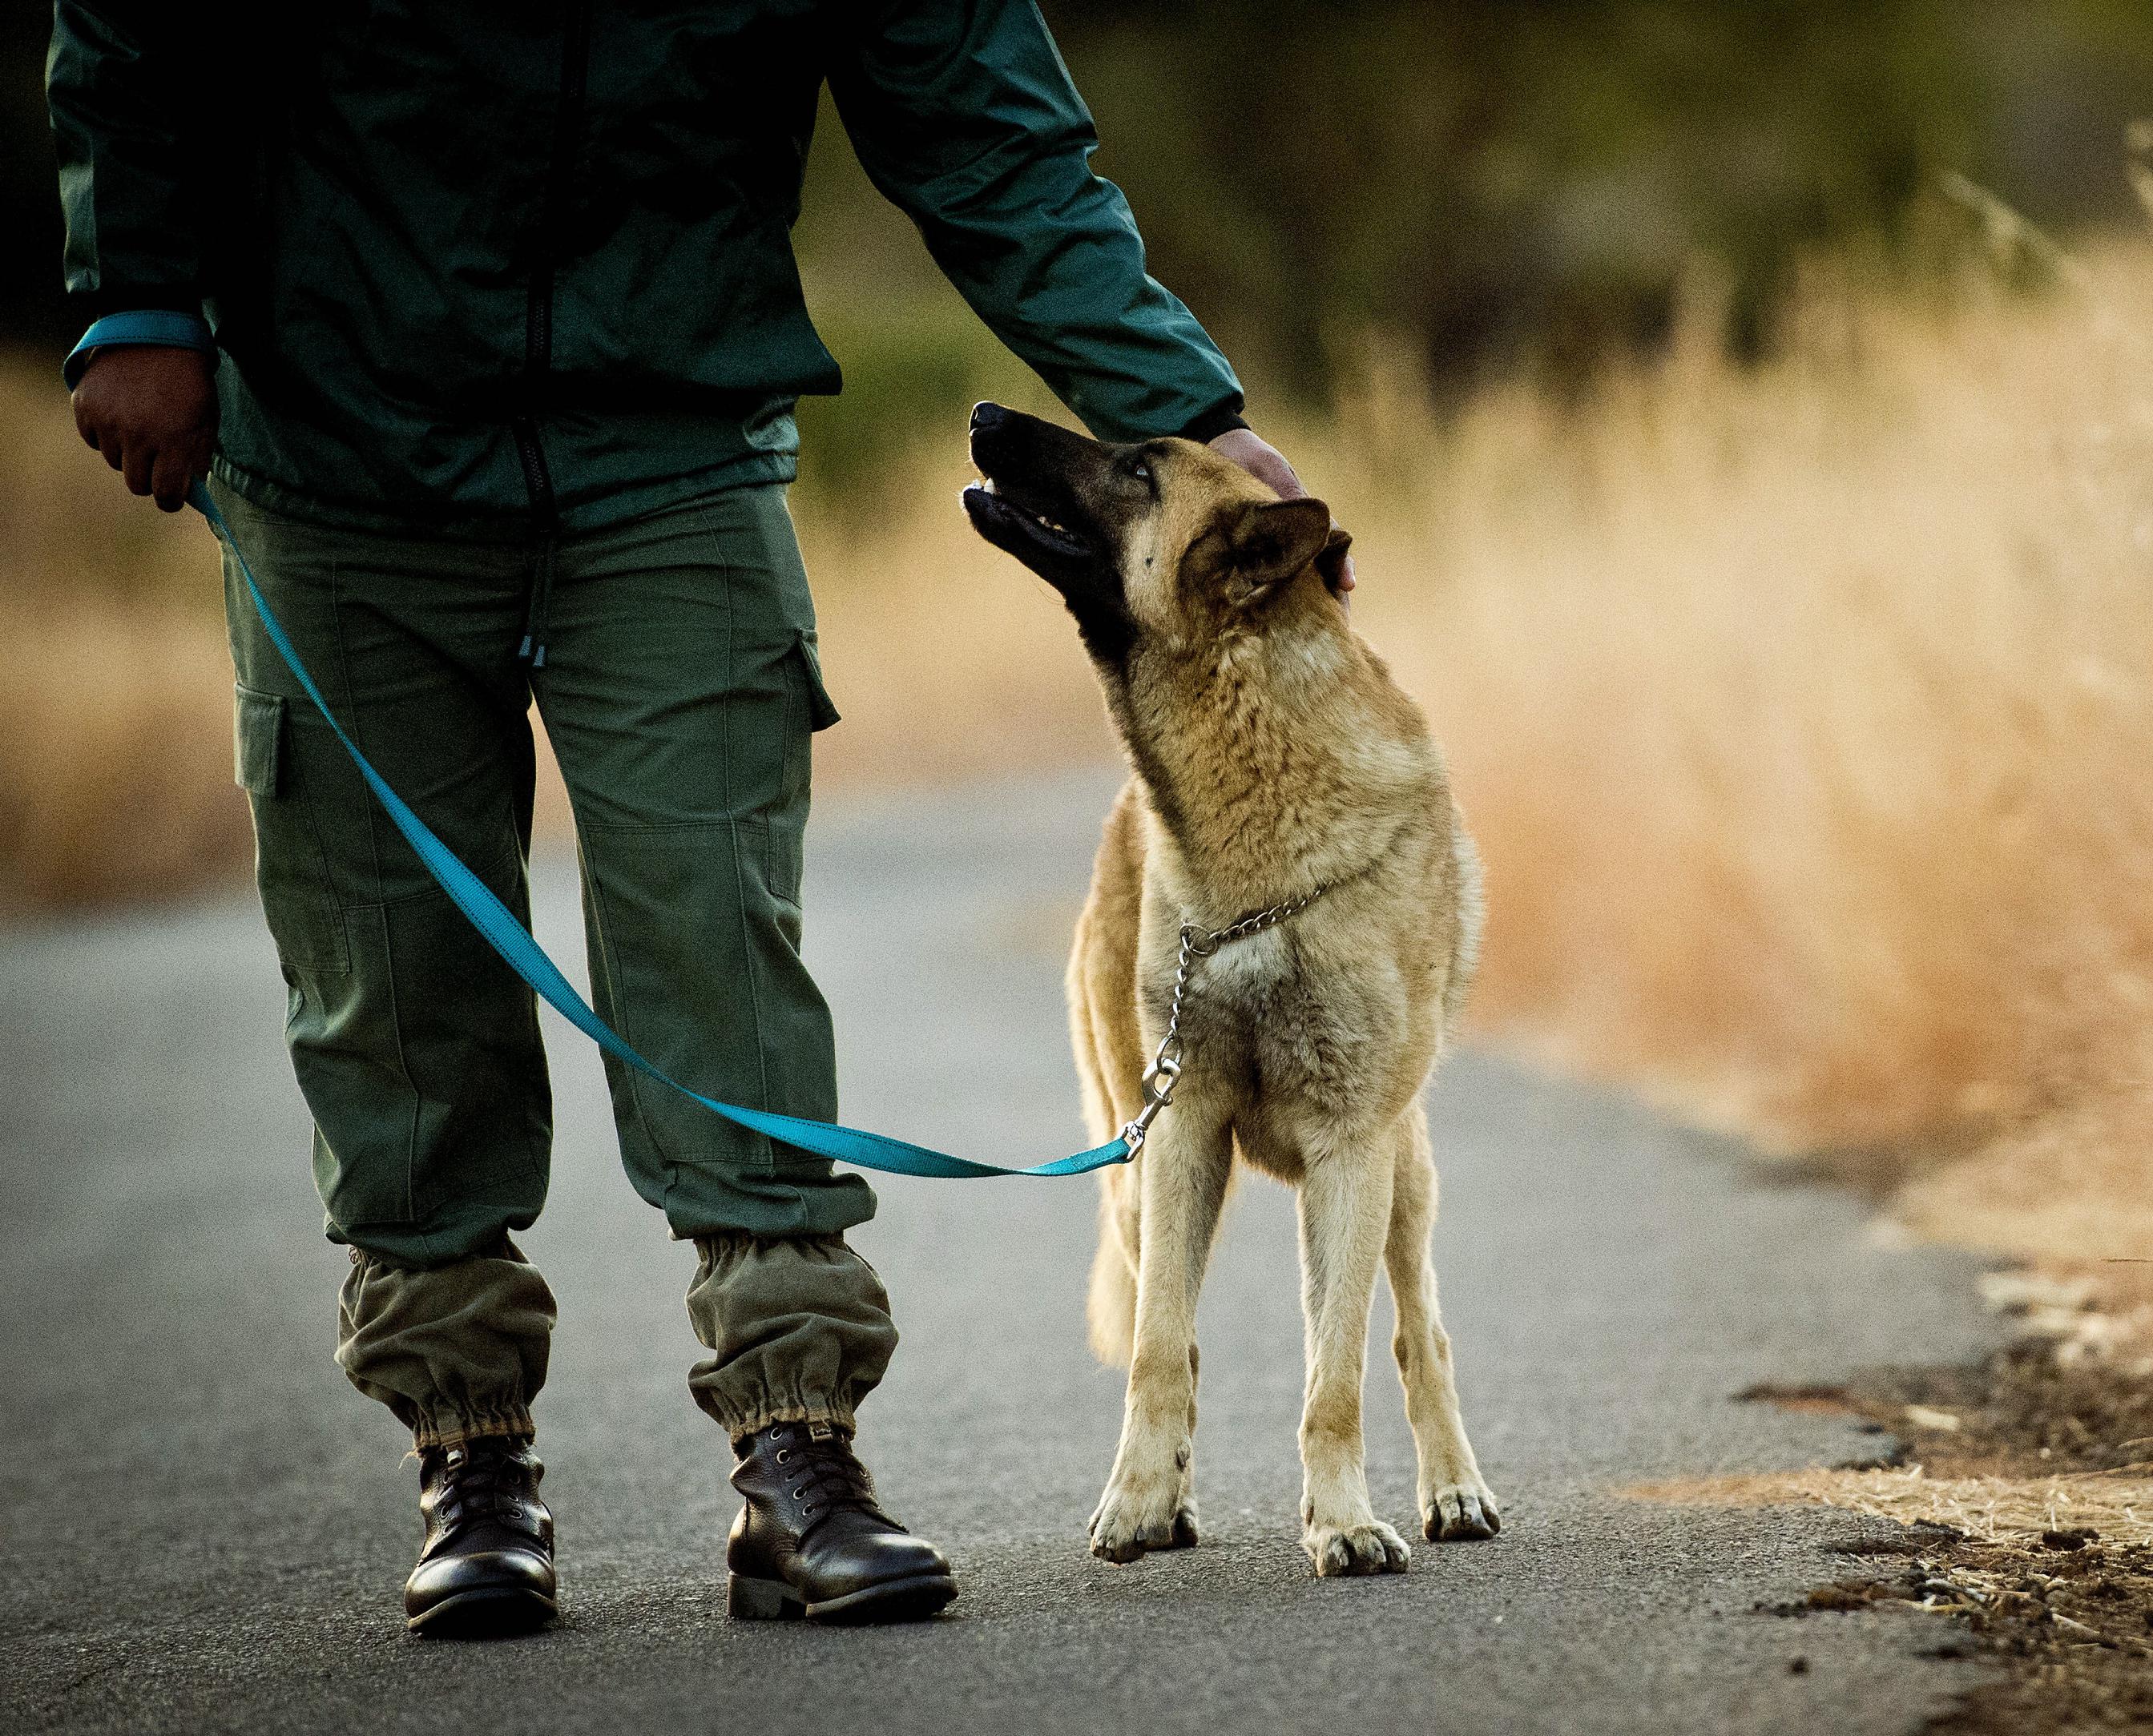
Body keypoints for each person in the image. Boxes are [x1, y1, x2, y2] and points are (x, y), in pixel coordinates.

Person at [50, 0, 1342, 1637]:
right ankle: (470, 1450)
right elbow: (132, 29)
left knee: (718, 936)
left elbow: (984, 123)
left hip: (669, 441)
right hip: (339, 433)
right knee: (391, 966)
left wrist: (1184, 408)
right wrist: (141, 293)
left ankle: (797, 1450)